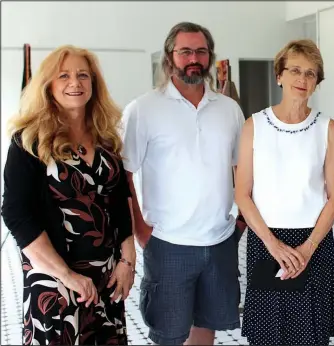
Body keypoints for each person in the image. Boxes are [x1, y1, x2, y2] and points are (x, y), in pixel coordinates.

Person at [1, 45, 135, 345]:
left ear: (93, 84)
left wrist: (128, 261)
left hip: (106, 278)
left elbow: (119, 200)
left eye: (83, 75)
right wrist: (67, 276)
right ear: (48, 85)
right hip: (56, 280)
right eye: (64, 76)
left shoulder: (106, 139)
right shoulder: (29, 141)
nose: (75, 83)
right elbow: (16, 214)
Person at [121, 22, 245, 346]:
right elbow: (125, 174)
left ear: (209, 57)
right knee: (168, 334)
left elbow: (243, 169)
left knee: (207, 328)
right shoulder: (143, 109)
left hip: (219, 242)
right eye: (185, 51)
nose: (194, 58)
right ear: (169, 57)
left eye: (201, 51)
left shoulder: (229, 110)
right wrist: (140, 232)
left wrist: (240, 222)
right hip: (167, 242)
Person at [235, 39, 334, 346]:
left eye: (311, 73)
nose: (302, 79)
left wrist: (308, 248)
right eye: (295, 70)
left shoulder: (327, 128)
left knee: (311, 336)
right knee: (268, 335)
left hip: (314, 243)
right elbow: (242, 193)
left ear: (317, 83)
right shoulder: (254, 125)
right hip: (267, 243)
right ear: (279, 75)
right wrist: (274, 246)